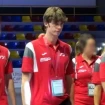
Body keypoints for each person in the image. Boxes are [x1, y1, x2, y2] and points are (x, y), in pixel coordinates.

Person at [21, 7, 74, 105]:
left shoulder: (67, 48)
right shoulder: (31, 47)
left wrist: (72, 101)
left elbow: (69, 78)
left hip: (63, 101)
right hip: (41, 102)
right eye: (55, 23)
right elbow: (25, 81)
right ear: (46, 23)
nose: (59, 27)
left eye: (61, 24)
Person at [71, 34, 98, 105]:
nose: (93, 48)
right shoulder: (75, 62)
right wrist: (72, 101)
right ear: (83, 47)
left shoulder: (99, 60)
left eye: (94, 45)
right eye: (90, 46)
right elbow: (71, 84)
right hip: (80, 101)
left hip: (97, 100)